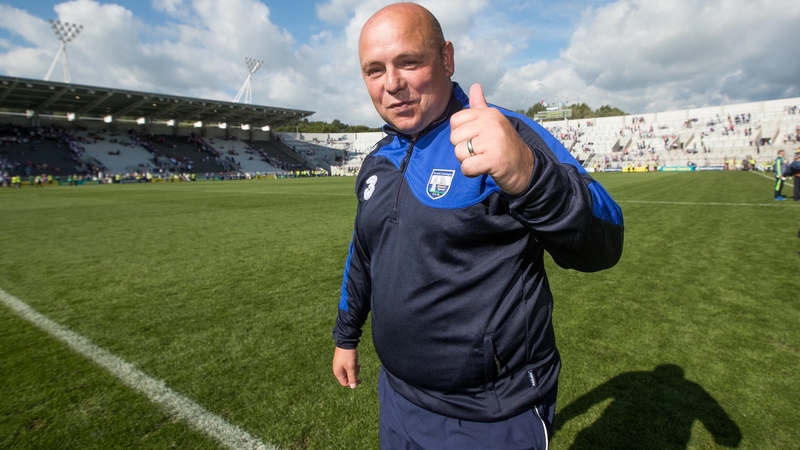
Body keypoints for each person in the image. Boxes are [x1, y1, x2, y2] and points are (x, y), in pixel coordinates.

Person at [331, 3, 624, 449]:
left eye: (409, 61)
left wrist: (528, 174)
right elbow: (365, 253)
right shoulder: (377, 160)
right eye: (375, 70)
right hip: (398, 399)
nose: (391, 84)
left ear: (446, 59)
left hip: (492, 415)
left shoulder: (504, 133)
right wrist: (346, 336)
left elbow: (606, 241)